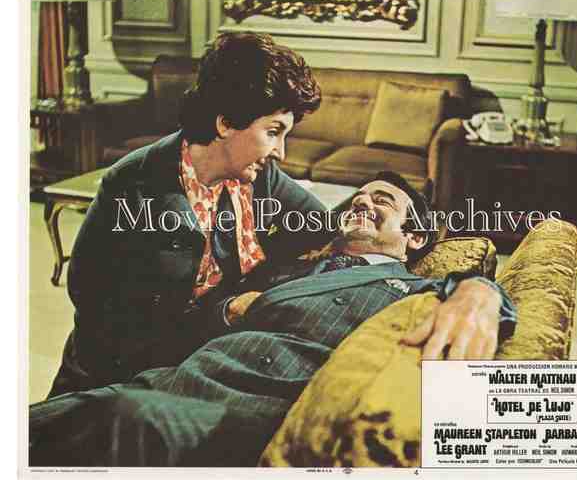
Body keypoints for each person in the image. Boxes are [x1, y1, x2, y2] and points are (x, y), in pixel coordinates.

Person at [29, 172, 516, 467]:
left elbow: (488, 298)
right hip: (172, 380)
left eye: (382, 201)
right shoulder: (290, 265)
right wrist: (229, 307)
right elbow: (196, 316)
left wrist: (480, 292)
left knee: (124, 418)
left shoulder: (411, 287)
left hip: (244, 414)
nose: (363, 203)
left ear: (415, 238)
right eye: (359, 198)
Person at [48, 31, 332, 398]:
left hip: (203, 359)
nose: (280, 152)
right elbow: (96, 302)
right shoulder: (133, 184)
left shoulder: (260, 175)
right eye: (273, 132)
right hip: (116, 377)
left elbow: (322, 228)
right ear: (226, 123)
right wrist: (226, 314)